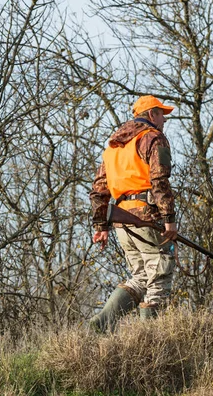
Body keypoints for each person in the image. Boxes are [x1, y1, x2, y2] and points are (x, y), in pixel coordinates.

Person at [89, 95, 178, 332]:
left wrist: (101, 226)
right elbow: (159, 180)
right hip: (148, 218)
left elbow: (99, 190)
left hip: (122, 222)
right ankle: (149, 341)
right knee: (160, 276)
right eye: (161, 114)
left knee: (140, 277)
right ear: (151, 115)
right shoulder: (152, 138)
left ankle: (103, 321)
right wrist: (169, 219)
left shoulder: (113, 146)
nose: (164, 121)